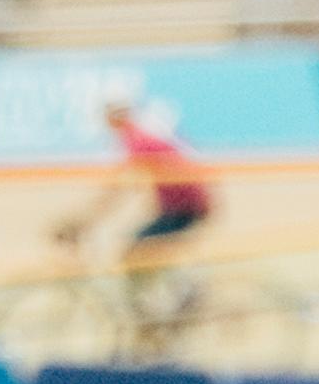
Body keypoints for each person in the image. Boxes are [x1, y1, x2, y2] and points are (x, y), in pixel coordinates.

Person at [56, 95, 217, 265]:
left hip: (184, 209)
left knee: (137, 252)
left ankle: (184, 285)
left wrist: (86, 221)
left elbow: (120, 189)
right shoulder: (140, 136)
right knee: (147, 250)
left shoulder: (137, 141)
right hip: (186, 206)